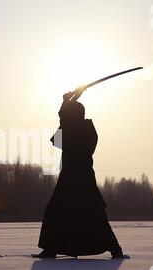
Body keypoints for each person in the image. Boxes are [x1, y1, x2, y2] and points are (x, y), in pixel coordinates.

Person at [34, 87, 128, 259]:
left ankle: (115, 249)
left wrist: (66, 101)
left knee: (92, 214)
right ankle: (51, 249)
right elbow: (62, 131)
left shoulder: (82, 131)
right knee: (60, 211)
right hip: (72, 177)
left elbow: (63, 124)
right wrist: (71, 100)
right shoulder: (80, 129)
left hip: (80, 178)